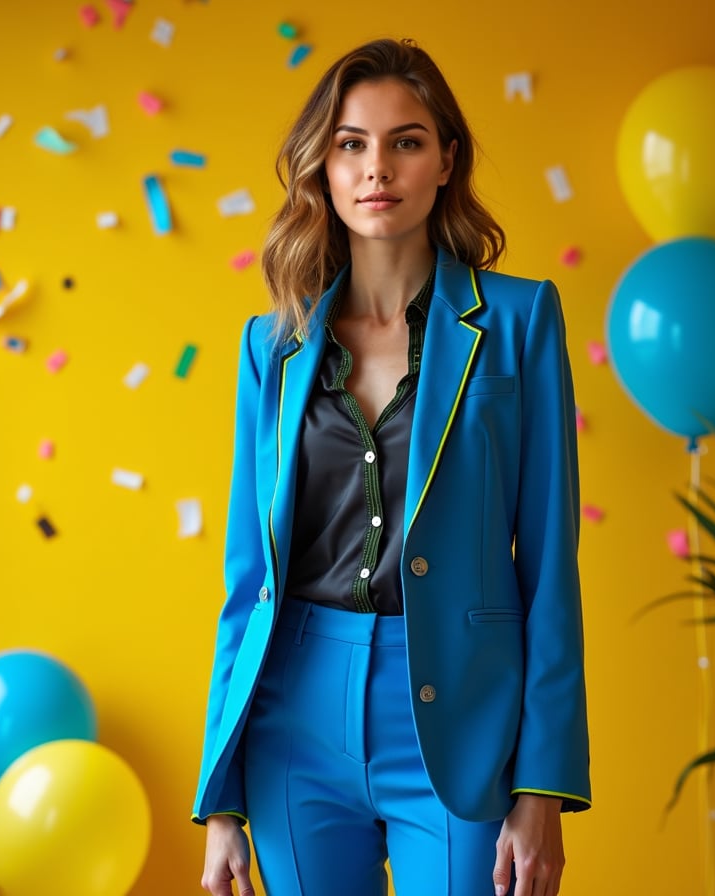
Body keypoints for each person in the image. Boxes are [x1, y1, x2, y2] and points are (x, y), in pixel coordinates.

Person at [193, 37, 590, 896]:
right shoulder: (274, 345)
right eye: (352, 144)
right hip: (292, 715)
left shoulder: (521, 321)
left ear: (447, 160)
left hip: (462, 716)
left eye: (407, 141)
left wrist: (543, 788)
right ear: (323, 169)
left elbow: (551, 559)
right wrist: (220, 798)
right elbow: (247, 575)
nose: (379, 168)